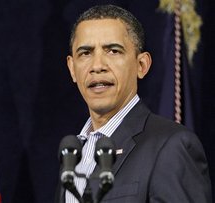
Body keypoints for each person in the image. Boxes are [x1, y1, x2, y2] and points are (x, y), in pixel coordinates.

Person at [56, 4, 212, 203]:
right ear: (72, 69)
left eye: (113, 51)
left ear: (141, 65)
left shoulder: (172, 146)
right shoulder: (72, 156)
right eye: (85, 53)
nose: (97, 66)